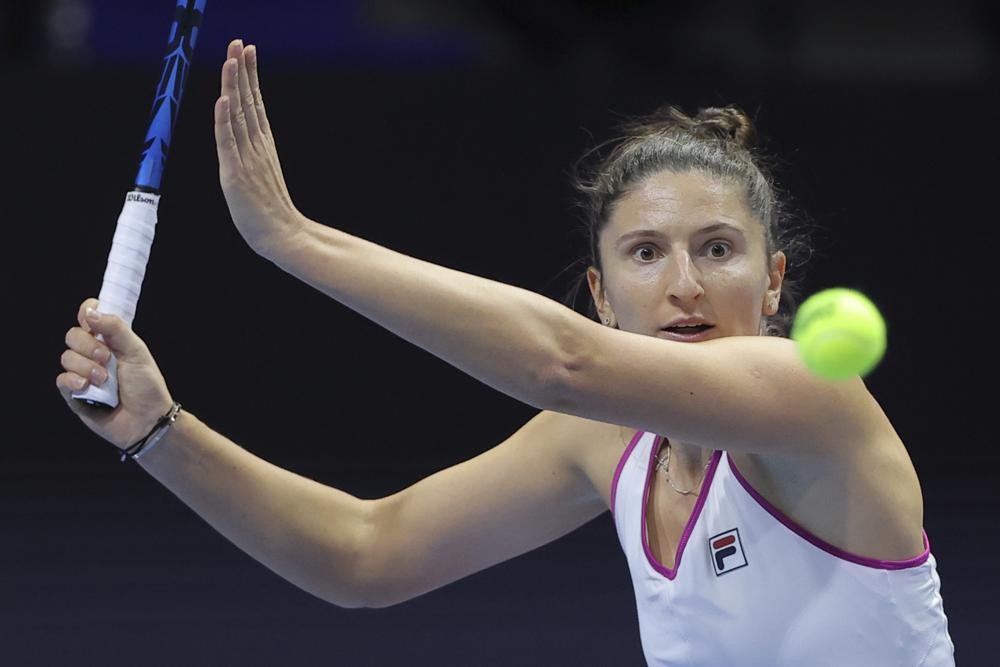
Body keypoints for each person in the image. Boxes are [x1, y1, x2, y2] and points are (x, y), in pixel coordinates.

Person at [57, 39, 954, 666]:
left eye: (718, 248)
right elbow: (367, 553)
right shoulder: (607, 445)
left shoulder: (809, 394)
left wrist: (294, 240)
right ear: (602, 295)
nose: (685, 283)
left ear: (773, 283)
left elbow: (560, 362)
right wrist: (158, 430)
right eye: (646, 253)